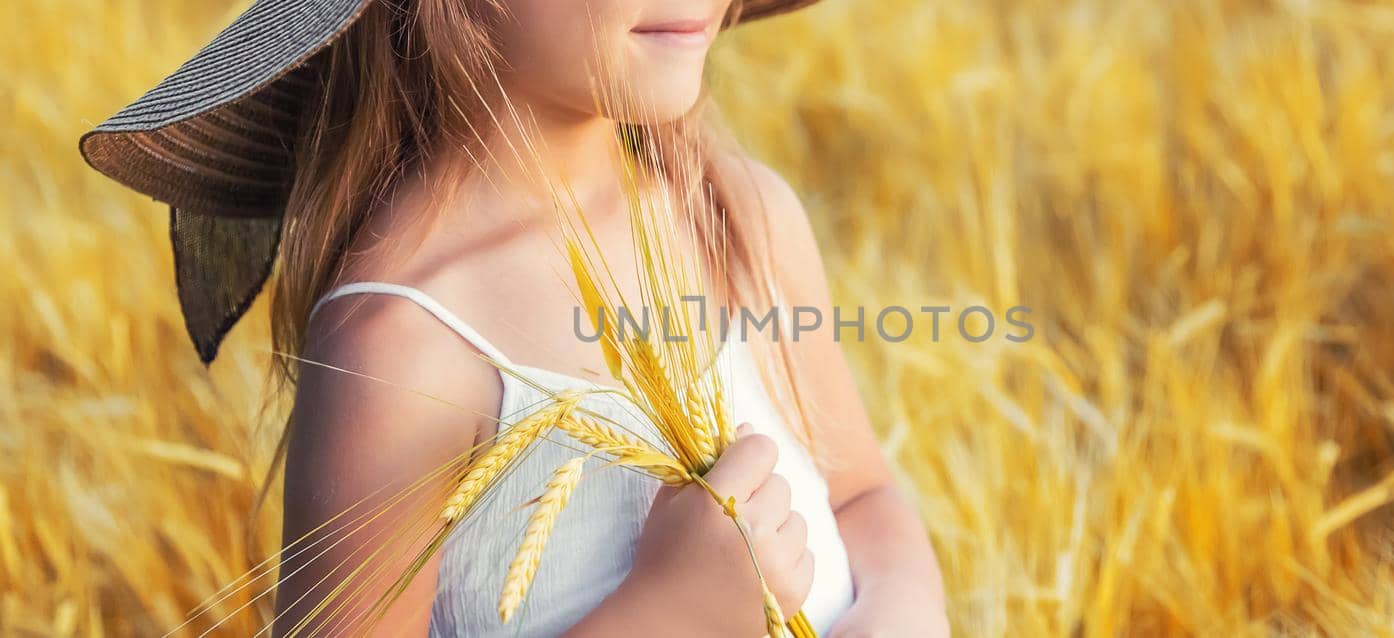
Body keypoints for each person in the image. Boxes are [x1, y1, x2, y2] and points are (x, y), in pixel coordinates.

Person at [81, 0, 946, 635]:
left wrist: (901, 613)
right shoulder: (407, 346)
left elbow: (863, 492)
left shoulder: (740, 217)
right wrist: (664, 616)